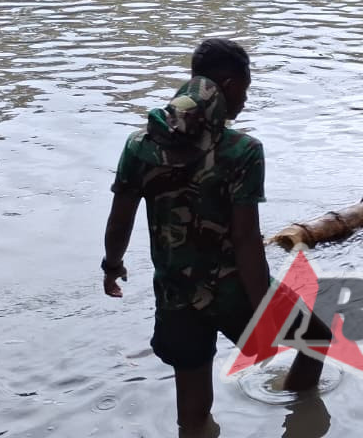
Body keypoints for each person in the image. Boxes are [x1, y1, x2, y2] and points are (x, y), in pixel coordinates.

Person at [101, 38, 329, 433]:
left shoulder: (139, 145)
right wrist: (262, 309)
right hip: (232, 289)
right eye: (244, 88)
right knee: (316, 341)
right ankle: (298, 416)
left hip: (176, 295)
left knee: (192, 416)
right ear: (226, 84)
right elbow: (245, 240)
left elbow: (120, 220)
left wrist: (112, 265)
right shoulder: (242, 150)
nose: (244, 99)